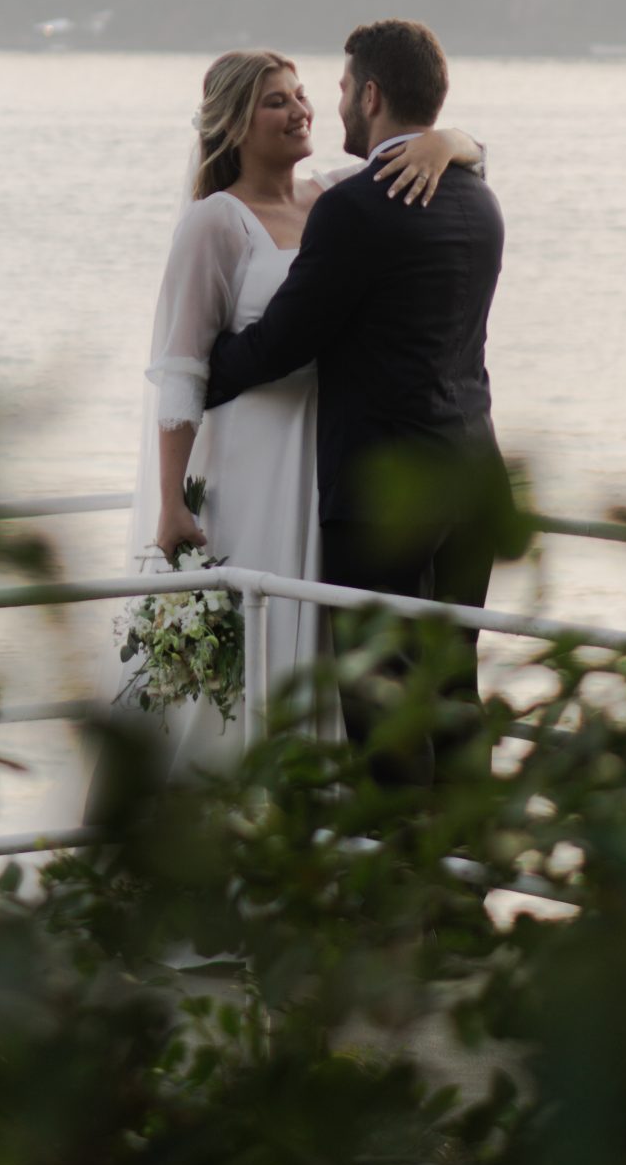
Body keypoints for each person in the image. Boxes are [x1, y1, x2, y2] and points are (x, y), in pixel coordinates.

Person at [127, 44, 483, 770]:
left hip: (331, 451)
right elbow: (180, 369)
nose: (301, 110)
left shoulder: (334, 196)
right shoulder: (213, 224)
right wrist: (170, 502)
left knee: (342, 648)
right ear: (233, 124)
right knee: (266, 631)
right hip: (255, 455)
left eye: (301, 95)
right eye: (276, 101)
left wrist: (448, 140)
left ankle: (332, 814)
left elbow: (456, 156)